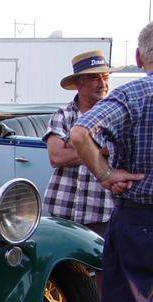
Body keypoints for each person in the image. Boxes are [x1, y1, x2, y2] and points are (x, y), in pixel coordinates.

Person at [70, 21, 153, 302]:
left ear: (140, 58)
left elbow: (80, 135)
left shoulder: (134, 95)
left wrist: (105, 175)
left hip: (141, 220)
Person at [42, 50, 113, 238]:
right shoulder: (63, 114)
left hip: (102, 212)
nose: (103, 84)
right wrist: (100, 151)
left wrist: (74, 148)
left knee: (101, 264)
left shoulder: (116, 115)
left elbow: (119, 151)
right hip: (62, 209)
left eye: (105, 77)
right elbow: (56, 157)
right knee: (66, 266)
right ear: (79, 84)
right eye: (94, 78)